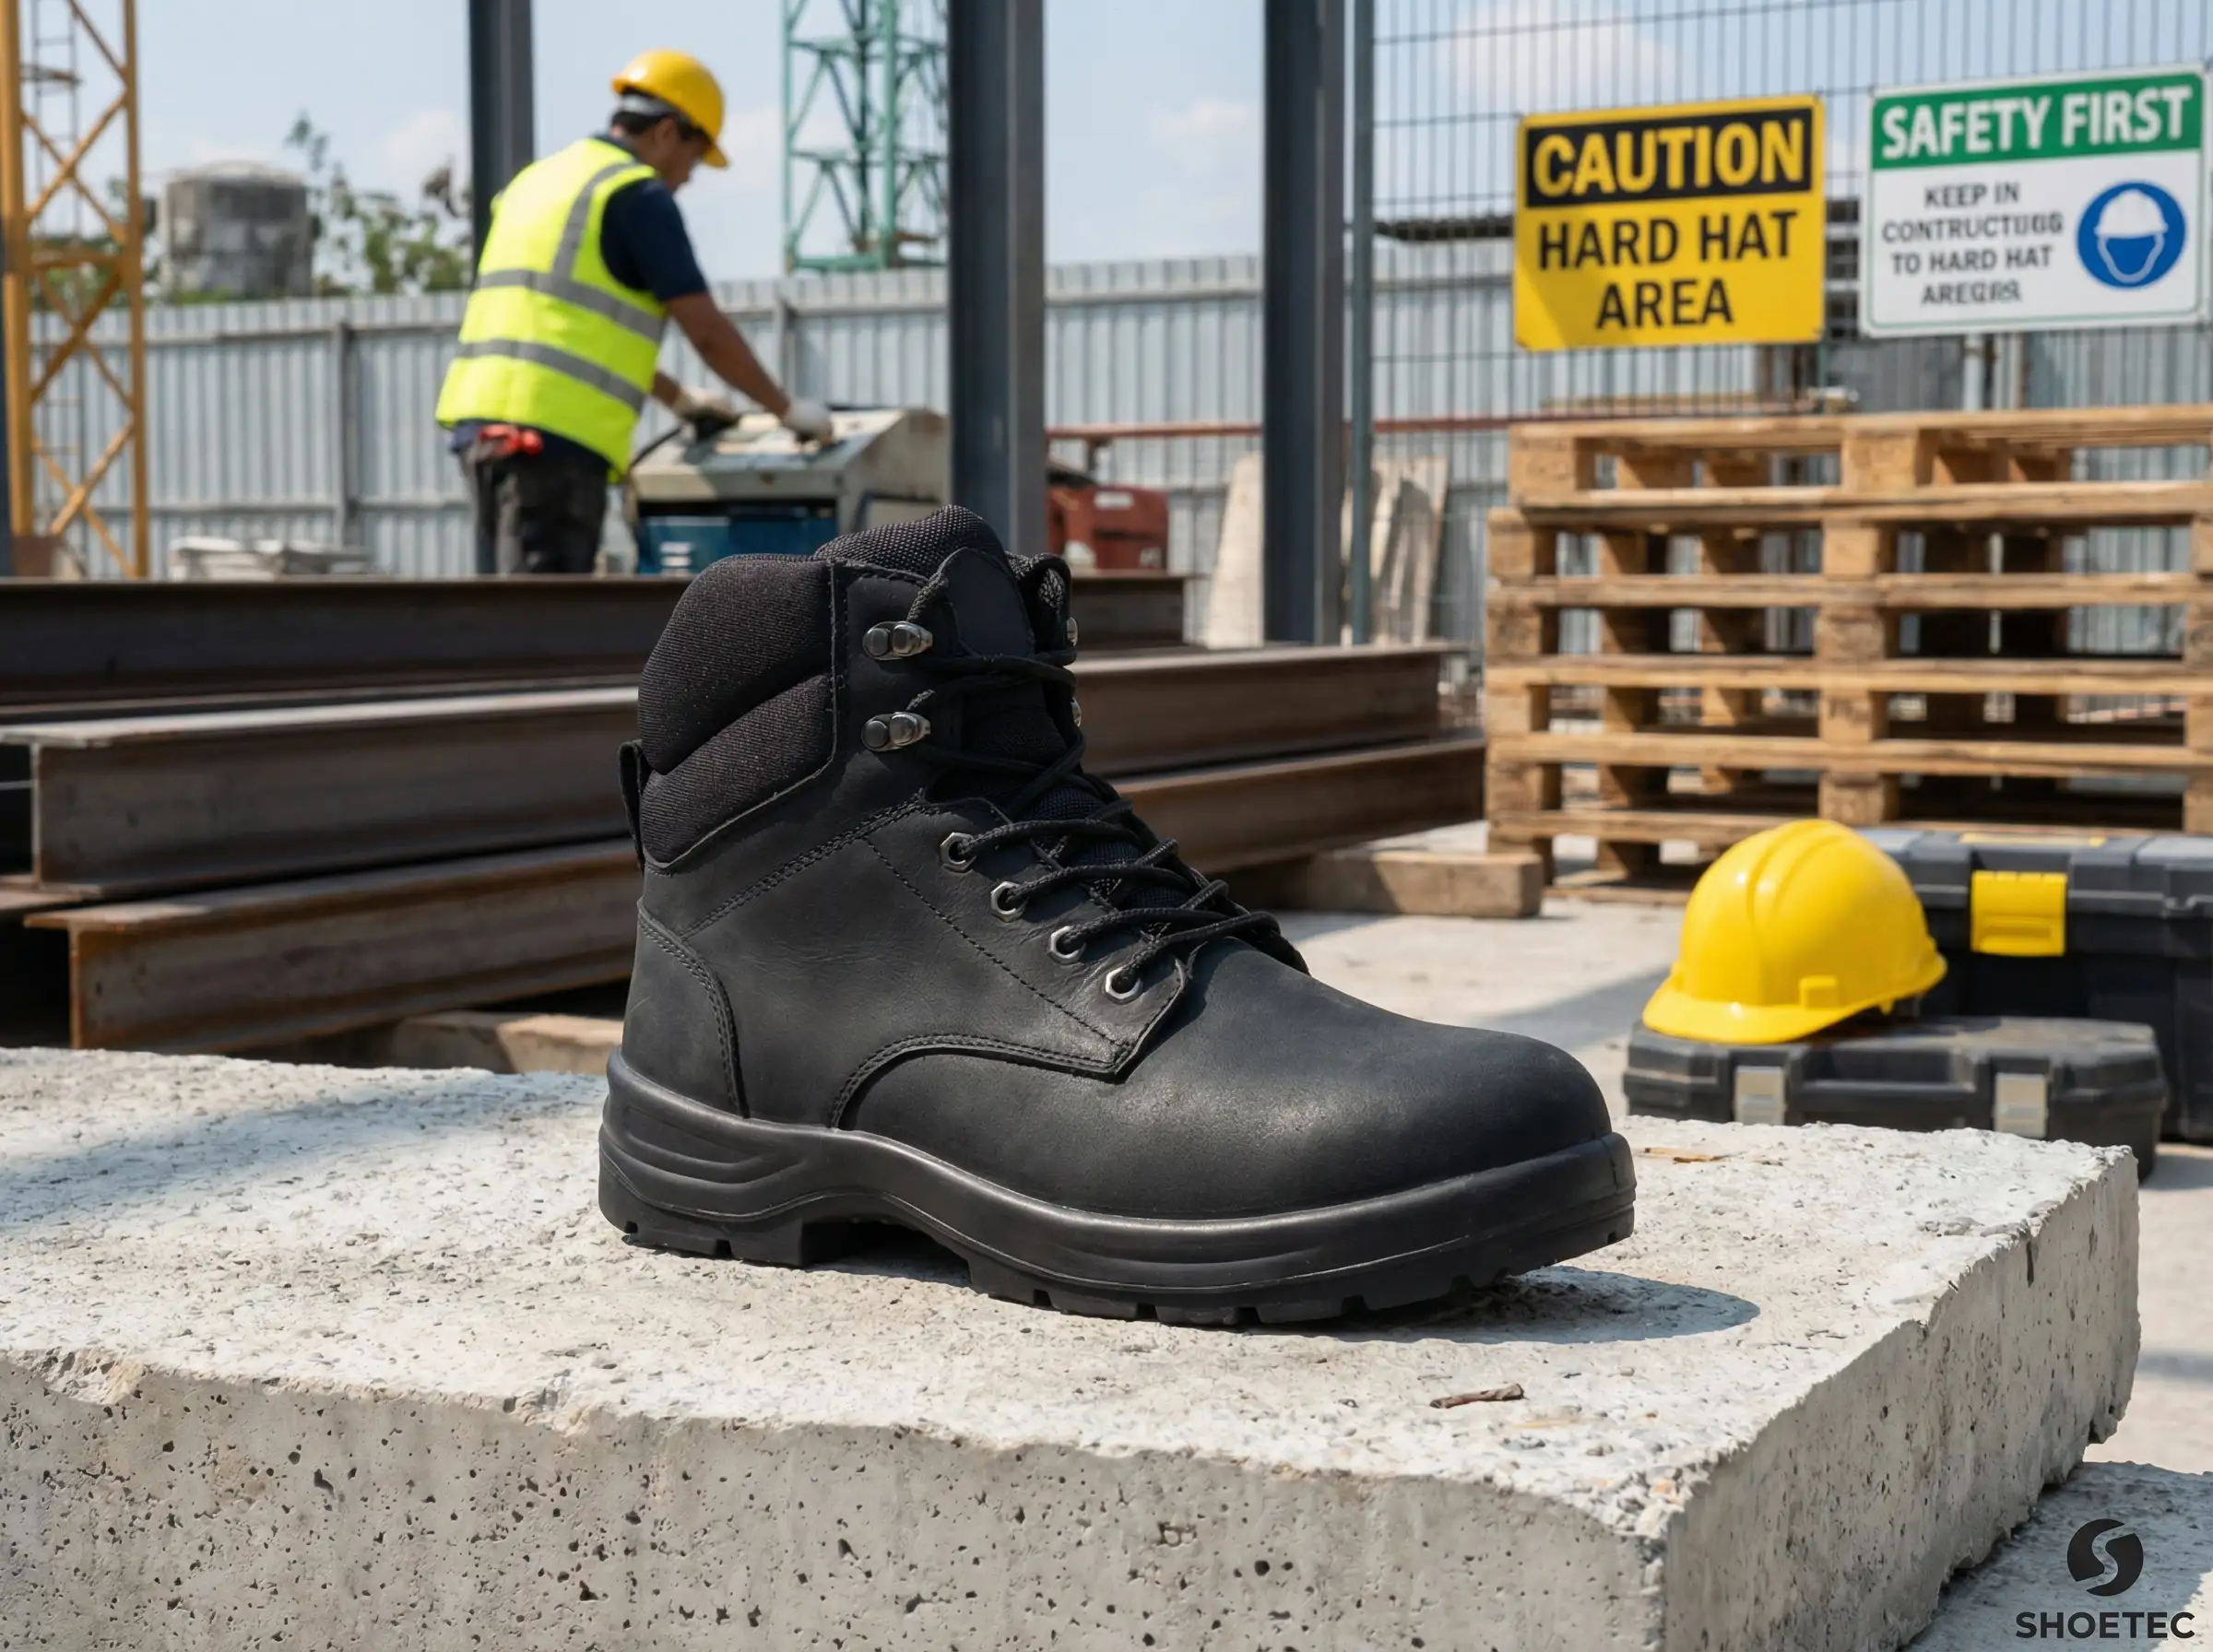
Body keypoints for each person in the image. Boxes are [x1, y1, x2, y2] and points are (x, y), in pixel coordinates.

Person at [435, 49, 832, 574]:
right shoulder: (635, 196)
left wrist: (678, 398)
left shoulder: (537, 183)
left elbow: (569, 332)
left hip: (484, 430)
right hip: (552, 444)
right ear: (668, 132)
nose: (687, 179)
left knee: (515, 610)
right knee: (539, 633)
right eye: (693, 159)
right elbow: (706, 331)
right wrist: (786, 410)